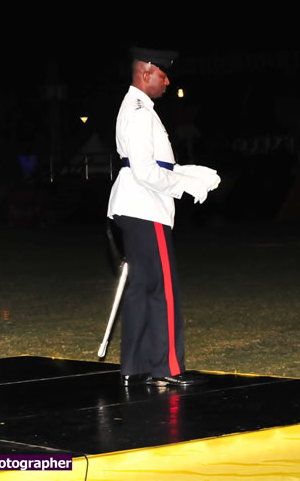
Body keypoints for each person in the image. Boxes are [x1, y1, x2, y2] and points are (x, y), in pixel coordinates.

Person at [107, 47, 221, 388]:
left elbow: (151, 165)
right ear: (146, 73)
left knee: (141, 289)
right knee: (163, 291)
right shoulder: (140, 112)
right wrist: (183, 184)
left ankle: (136, 365)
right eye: (163, 74)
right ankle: (167, 368)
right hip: (146, 207)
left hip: (135, 206)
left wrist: (186, 172)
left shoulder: (137, 108)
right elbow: (144, 170)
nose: (167, 80)